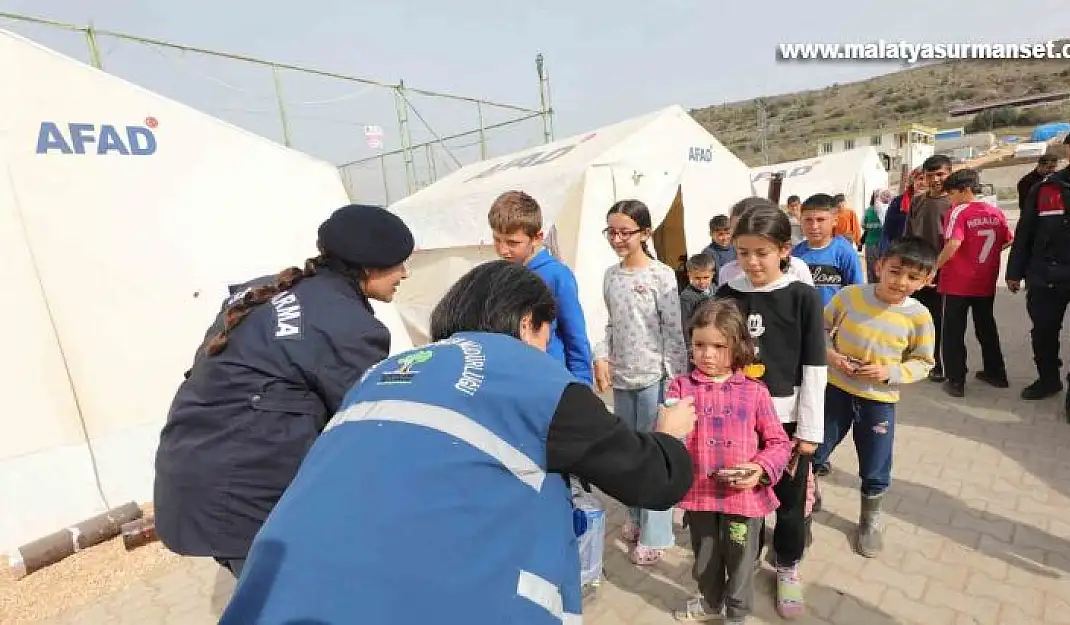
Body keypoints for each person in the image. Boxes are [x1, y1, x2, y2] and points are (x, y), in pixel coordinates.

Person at [217, 260, 697, 625]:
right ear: (528, 321)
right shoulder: (528, 376)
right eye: (546, 332)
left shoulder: (386, 371)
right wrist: (669, 434)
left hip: (275, 598)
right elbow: (652, 479)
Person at [153, 204, 415, 578]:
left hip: (193, 464)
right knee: (294, 598)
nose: (404, 274)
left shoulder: (268, 289)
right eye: (398, 264)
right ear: (367, 268)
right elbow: (369, 427)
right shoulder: (345, 327)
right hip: (241, 490)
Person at [714, 202, 826, 620]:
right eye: (743, 252)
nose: (752, 262)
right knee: (744, 495)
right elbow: (717, 357)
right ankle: (746, 559)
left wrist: (810, 429)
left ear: (785, 249)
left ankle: (788, 564)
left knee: (789, 500)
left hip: (788, 420)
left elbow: (815, 365)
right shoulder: (727, 295)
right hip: (740, 419)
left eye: (761, 252)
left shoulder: (803, 297)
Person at [669, 300, 793, 625]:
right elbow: (666, 437)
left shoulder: (755, 392)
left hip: (743, 503)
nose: (707, 354)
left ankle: (737, 613)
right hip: (700, 498)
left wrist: (760, 469)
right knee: (706, 558)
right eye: (699, 344)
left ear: (737, 346)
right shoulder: (681, 388)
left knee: (740, 559)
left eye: (718, 346)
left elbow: (780, 443)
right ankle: (710, 602)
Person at [817, 237, 937, 557]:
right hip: (835, 390)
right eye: (895, 271)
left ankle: (870, 518)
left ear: (926, 281)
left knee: (875, 463)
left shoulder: (919, 317)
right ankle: (804, 498)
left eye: (913, 277)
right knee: (814, 449)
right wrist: (832, 357)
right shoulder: (850, 296)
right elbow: (819, 328)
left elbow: (924, 362)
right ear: (879, 265)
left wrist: (890, 373)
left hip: (878, 401)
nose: (901, 282)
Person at [592, 199, 689, 566]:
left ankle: (656, 534)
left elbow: (672, 332)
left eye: (624, 232)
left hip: (655, 379)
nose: (617, 239)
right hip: (623, 379)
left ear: (645, 233)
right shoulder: (611, 276)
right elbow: (610, 324)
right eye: (611, 231)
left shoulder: (661, 275)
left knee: (655, 456)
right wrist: (600, 355)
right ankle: (634, 518)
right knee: (628, 455)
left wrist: (675, 385)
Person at [1005, 119, 1070, 428]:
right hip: (1046, 276)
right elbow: (1025, 233)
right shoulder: (1045, 187)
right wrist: (1014, 271)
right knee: (1043, 332)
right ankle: (1048, 379)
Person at [488, 190, 592, 384]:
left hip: (552, 383)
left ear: (537, 238)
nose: (503, 250)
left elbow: (575, 337)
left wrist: (583, 388)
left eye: (512, 243)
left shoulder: (557, 275)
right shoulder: (500, 275)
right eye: (497, 240)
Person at [935, 169, 1013, 398]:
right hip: (985, 280)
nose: (949, 199)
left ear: (964, 190)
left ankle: (956, 380)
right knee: (986, 326)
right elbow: (1008, 240)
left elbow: (953, 244)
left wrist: (933, 269)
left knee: (953, 331)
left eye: (950, 193)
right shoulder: (995, 212)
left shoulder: (958, 212)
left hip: (958, 283)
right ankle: (996, 373)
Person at [905, 155, 952, 382]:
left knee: (938, 319)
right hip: (916, 268)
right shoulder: (918, 201)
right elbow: (908, 235)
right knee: (913, 315)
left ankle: (938, 363)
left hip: (943, 271)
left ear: (949, 174)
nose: (935, 180)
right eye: (930, 175)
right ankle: (914, 357)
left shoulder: (955, 204)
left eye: (940, 174)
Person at [719, 197, 814, 287]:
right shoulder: (728, 272)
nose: (740, 237)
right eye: (734, 231)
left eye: (762, 253)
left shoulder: (796, 269)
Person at [793, 193, 864, 307]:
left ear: (835, 221)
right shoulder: (795, 254)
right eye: (808, 220)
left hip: (834, 321)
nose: (814, 226)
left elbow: (856, 290)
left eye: (820, 220)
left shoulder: (844, 252)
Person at [680, 252, 717, 353]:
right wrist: (689, 346)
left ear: (712, 275)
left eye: (705, 277)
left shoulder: (716, 289)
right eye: (697, 278)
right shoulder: (687, 296)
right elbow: (685, 322)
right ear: (689, 275)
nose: (702, 282)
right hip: (700, 338)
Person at [881, 169, 922, 252]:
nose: (924, 182)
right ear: (913, 181)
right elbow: (888, 229)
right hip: (902, 248)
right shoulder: (898, 201)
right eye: (920, 178)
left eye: (926, 178)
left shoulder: (936, 202)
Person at [703, 214, 737, 284]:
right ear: (711, 234)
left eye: (728, 233)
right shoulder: (709, 253)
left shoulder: (737, 246)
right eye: (720, 234)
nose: (724, 238)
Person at [862, 191, 886, 282]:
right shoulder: (888, 208)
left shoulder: (869, 210)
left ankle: (871, 288)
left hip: (871, 242)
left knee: (871, 267)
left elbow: (863, 225)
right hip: (883, 244)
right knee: (883, 266)